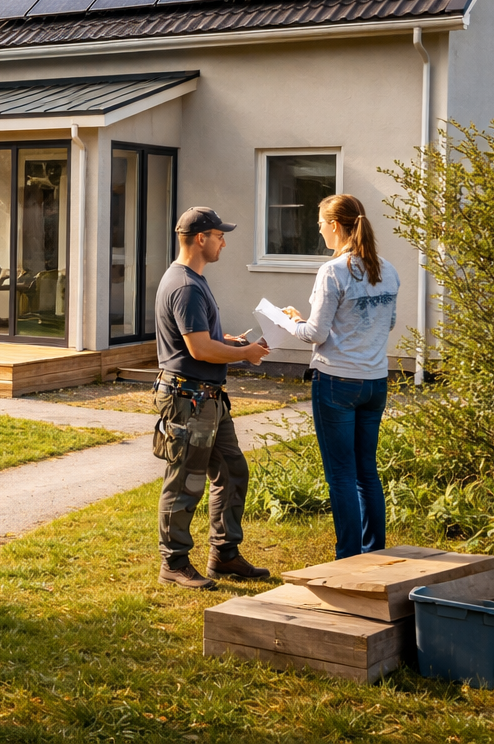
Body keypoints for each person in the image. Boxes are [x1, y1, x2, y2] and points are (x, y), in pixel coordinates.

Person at [153, 206, 272, 590]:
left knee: (233, 472)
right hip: (189, 400)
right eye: (219, 234)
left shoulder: (193, 280)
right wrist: (245, 353)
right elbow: (200, 349)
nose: (224, 241)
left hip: (209, 400)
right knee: (185, 480)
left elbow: (203, 341)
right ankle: (173, 562)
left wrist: (231, 342)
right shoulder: (185, 286)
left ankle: (224, 553)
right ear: (200, 238)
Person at [282, 194, 399, 560]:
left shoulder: (332, 271)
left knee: (342, 477)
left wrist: (290, 322)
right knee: (367, 472)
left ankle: (347, 559)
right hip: (375, 381)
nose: (318, 228)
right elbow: (388, 323)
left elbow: (315, 334)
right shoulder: (388, 270)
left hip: (336, 382)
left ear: (335, 225)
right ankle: (373, 552)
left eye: (320, 222)